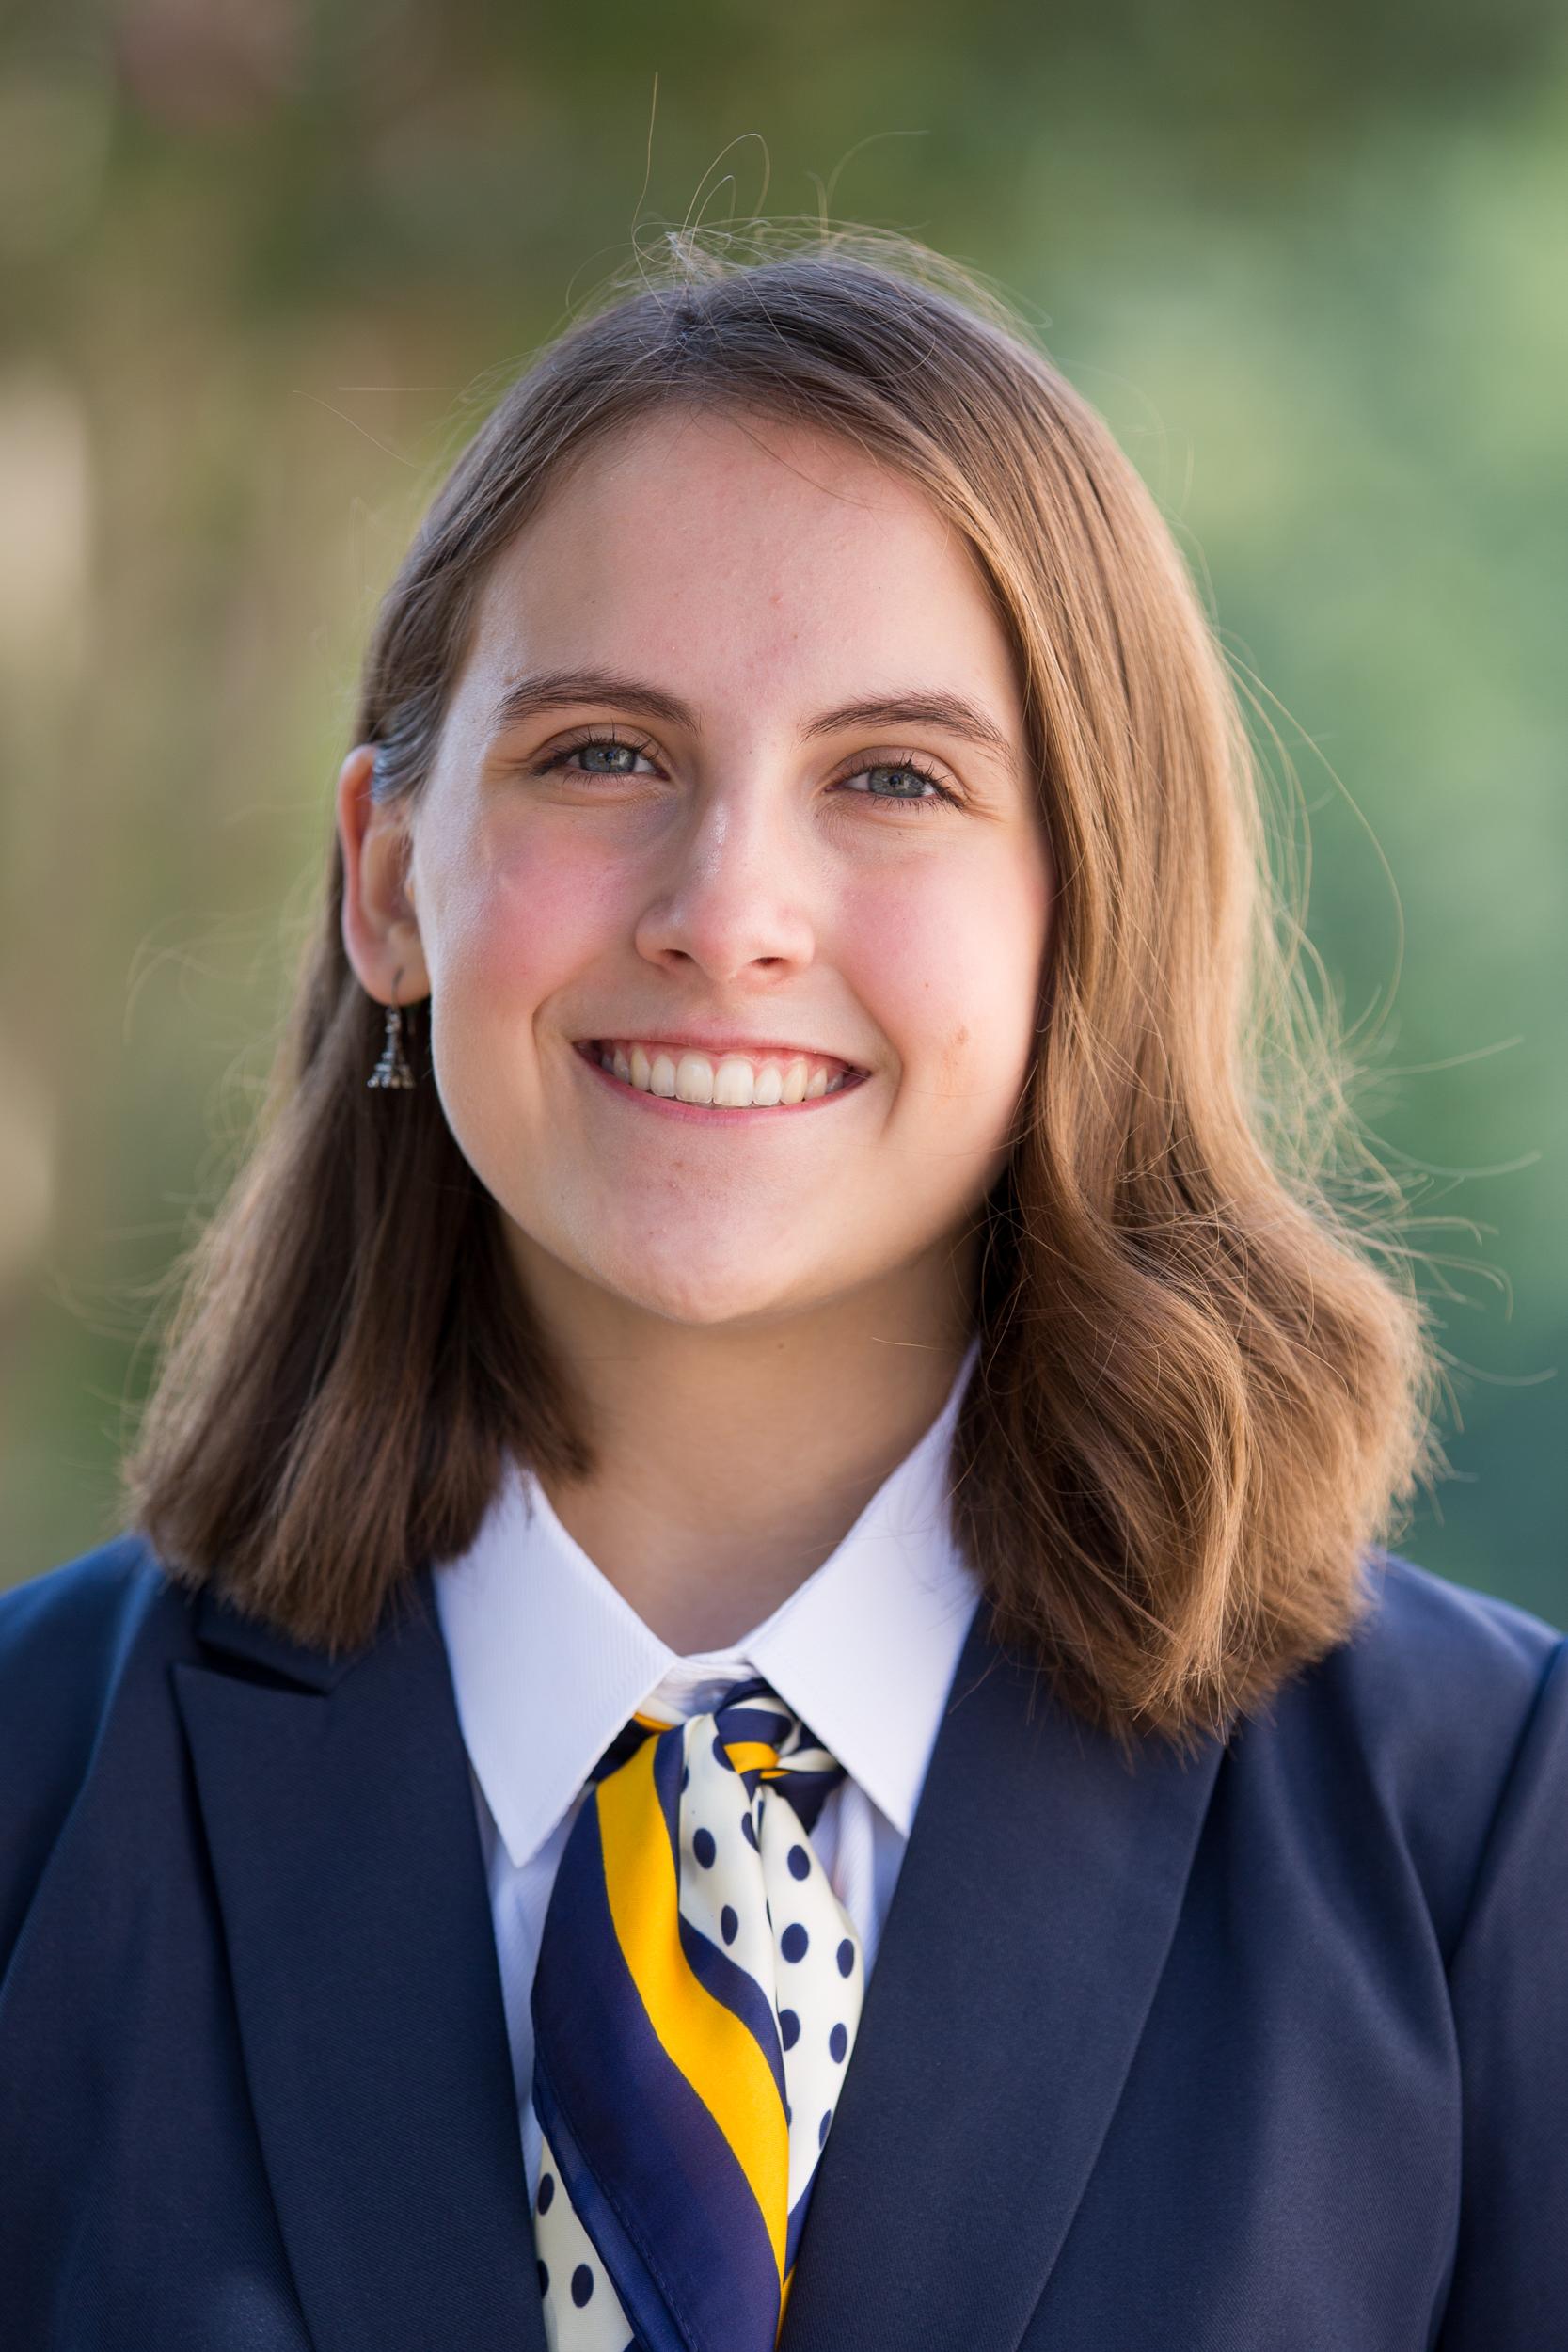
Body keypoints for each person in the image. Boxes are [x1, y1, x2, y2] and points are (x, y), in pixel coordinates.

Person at [1, 226, 1562, 2352]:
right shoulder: (28, 1799)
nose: (728, 910)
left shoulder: (1493, 1845)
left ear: (1088, 909)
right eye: (601, 754)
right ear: (389, 881)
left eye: (895, 777)